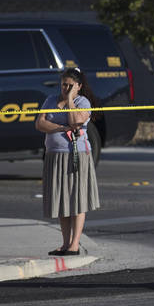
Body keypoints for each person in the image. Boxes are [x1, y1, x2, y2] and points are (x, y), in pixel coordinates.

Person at [36, 66, 100, 256]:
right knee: (62, 200)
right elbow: (40, 123)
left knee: (77, 199)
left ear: (78, 86)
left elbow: (75, 122)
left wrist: (71, 99)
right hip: (54, 155)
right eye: (63, 84)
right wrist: (60, 128)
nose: (65, 88)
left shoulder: (83, 102)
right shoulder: (50, 100)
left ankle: (75, 244)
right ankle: (65, 243)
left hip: (76, 155)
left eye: (70, 85)